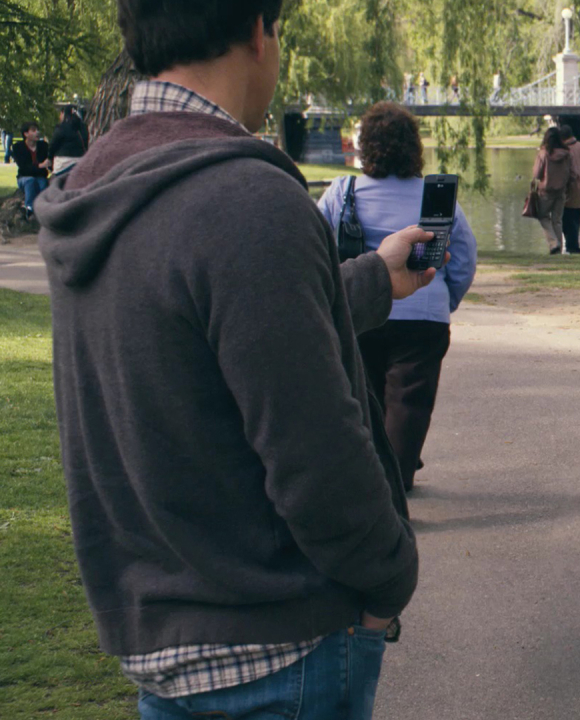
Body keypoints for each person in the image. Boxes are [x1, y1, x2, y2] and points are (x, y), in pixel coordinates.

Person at [34, 2, 433, 717]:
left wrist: (375, 276)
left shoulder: (99, 186)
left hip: (159, 633)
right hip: (280, 645)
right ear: (258, 31)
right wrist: (388, 577)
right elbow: (316, 454)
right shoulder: (249, 199)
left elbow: (214, 324)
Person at [318, 102, 477, 491]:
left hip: (360, 308)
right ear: (414, 147)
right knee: (410, 400)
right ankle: (397, 475)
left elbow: (315, 246)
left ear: (365, 147)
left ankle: (378, 472)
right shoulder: (435, 198)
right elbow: (464, 257)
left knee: (367, 395)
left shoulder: (342, 192)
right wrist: (444, 300)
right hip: (424, 313)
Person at [531, 126, 573, 254]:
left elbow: (537, 174)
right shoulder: (566, 154)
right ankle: (558, 249)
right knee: (557, 221)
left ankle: (554, 243)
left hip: (546, 192)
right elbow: (570, 172)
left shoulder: (543, 154)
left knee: (542, 216)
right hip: (561, 192)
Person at [559, 124, 580, 255]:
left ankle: (573, 249)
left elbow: (568, 172)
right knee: (576, 220)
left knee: (568, 222)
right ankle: (573, 248)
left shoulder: (566, 151)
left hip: (571, 191)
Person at [12, 121, 51, 219]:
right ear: (25, 134)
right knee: (30, 180)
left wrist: (49, 165)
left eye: (37, 130)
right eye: (33, 130)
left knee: (42, 183)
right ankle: (29, 208)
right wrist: (40, 166)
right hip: (24, 177)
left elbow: (48, 164)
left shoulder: (43, 146)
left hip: (40, 176)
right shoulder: (18, 147)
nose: (37, 132)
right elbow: (24, 168)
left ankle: (42, 209)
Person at [49, 106, 90, 176]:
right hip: (80, 162)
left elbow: (53, 145)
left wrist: (49, 158)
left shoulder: (61, 127)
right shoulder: (83, 128)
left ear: (63, 113)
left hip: (63, 164)